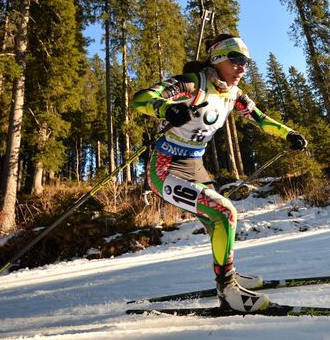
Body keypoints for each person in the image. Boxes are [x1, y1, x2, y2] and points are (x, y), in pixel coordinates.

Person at [132, 34, 307, 312]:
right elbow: (141, 98)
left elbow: (259, 118)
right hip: (166, 168)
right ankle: (228, 292)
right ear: (217, 59)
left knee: (218, 221)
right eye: (236, 60)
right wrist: (165, 107)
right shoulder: (192, 84)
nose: (242, 67)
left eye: (246, 62)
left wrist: (289, 134)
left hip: (196, 166)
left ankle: (228, 277)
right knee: (225, 213)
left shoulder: (233, 94)